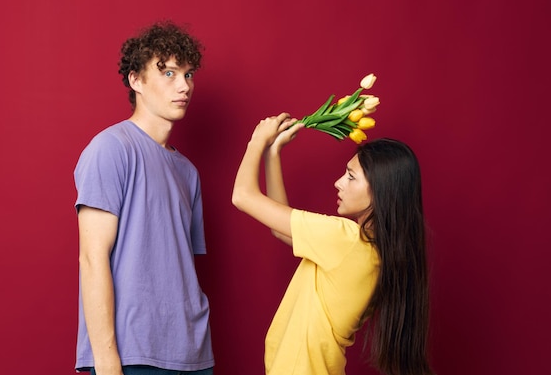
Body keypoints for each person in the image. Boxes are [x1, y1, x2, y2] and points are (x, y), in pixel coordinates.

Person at [232, 113, 433, 375]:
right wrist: (273, 153)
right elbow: (280, 228)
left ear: (380, 190)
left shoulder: (346, 239)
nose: (338, 183)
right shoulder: (372, 252)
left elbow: (242, 196)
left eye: (351, 177)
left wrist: (257, 139)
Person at [74, 21, 214, 375]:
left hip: (193, 354)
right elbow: (92, 258)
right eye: (168, 72)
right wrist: (106, 362)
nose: (184, 86)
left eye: (188, 74)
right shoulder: (111, 148)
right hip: (133, 354)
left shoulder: (188, 172)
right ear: (136, 80)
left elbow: (179, 270)